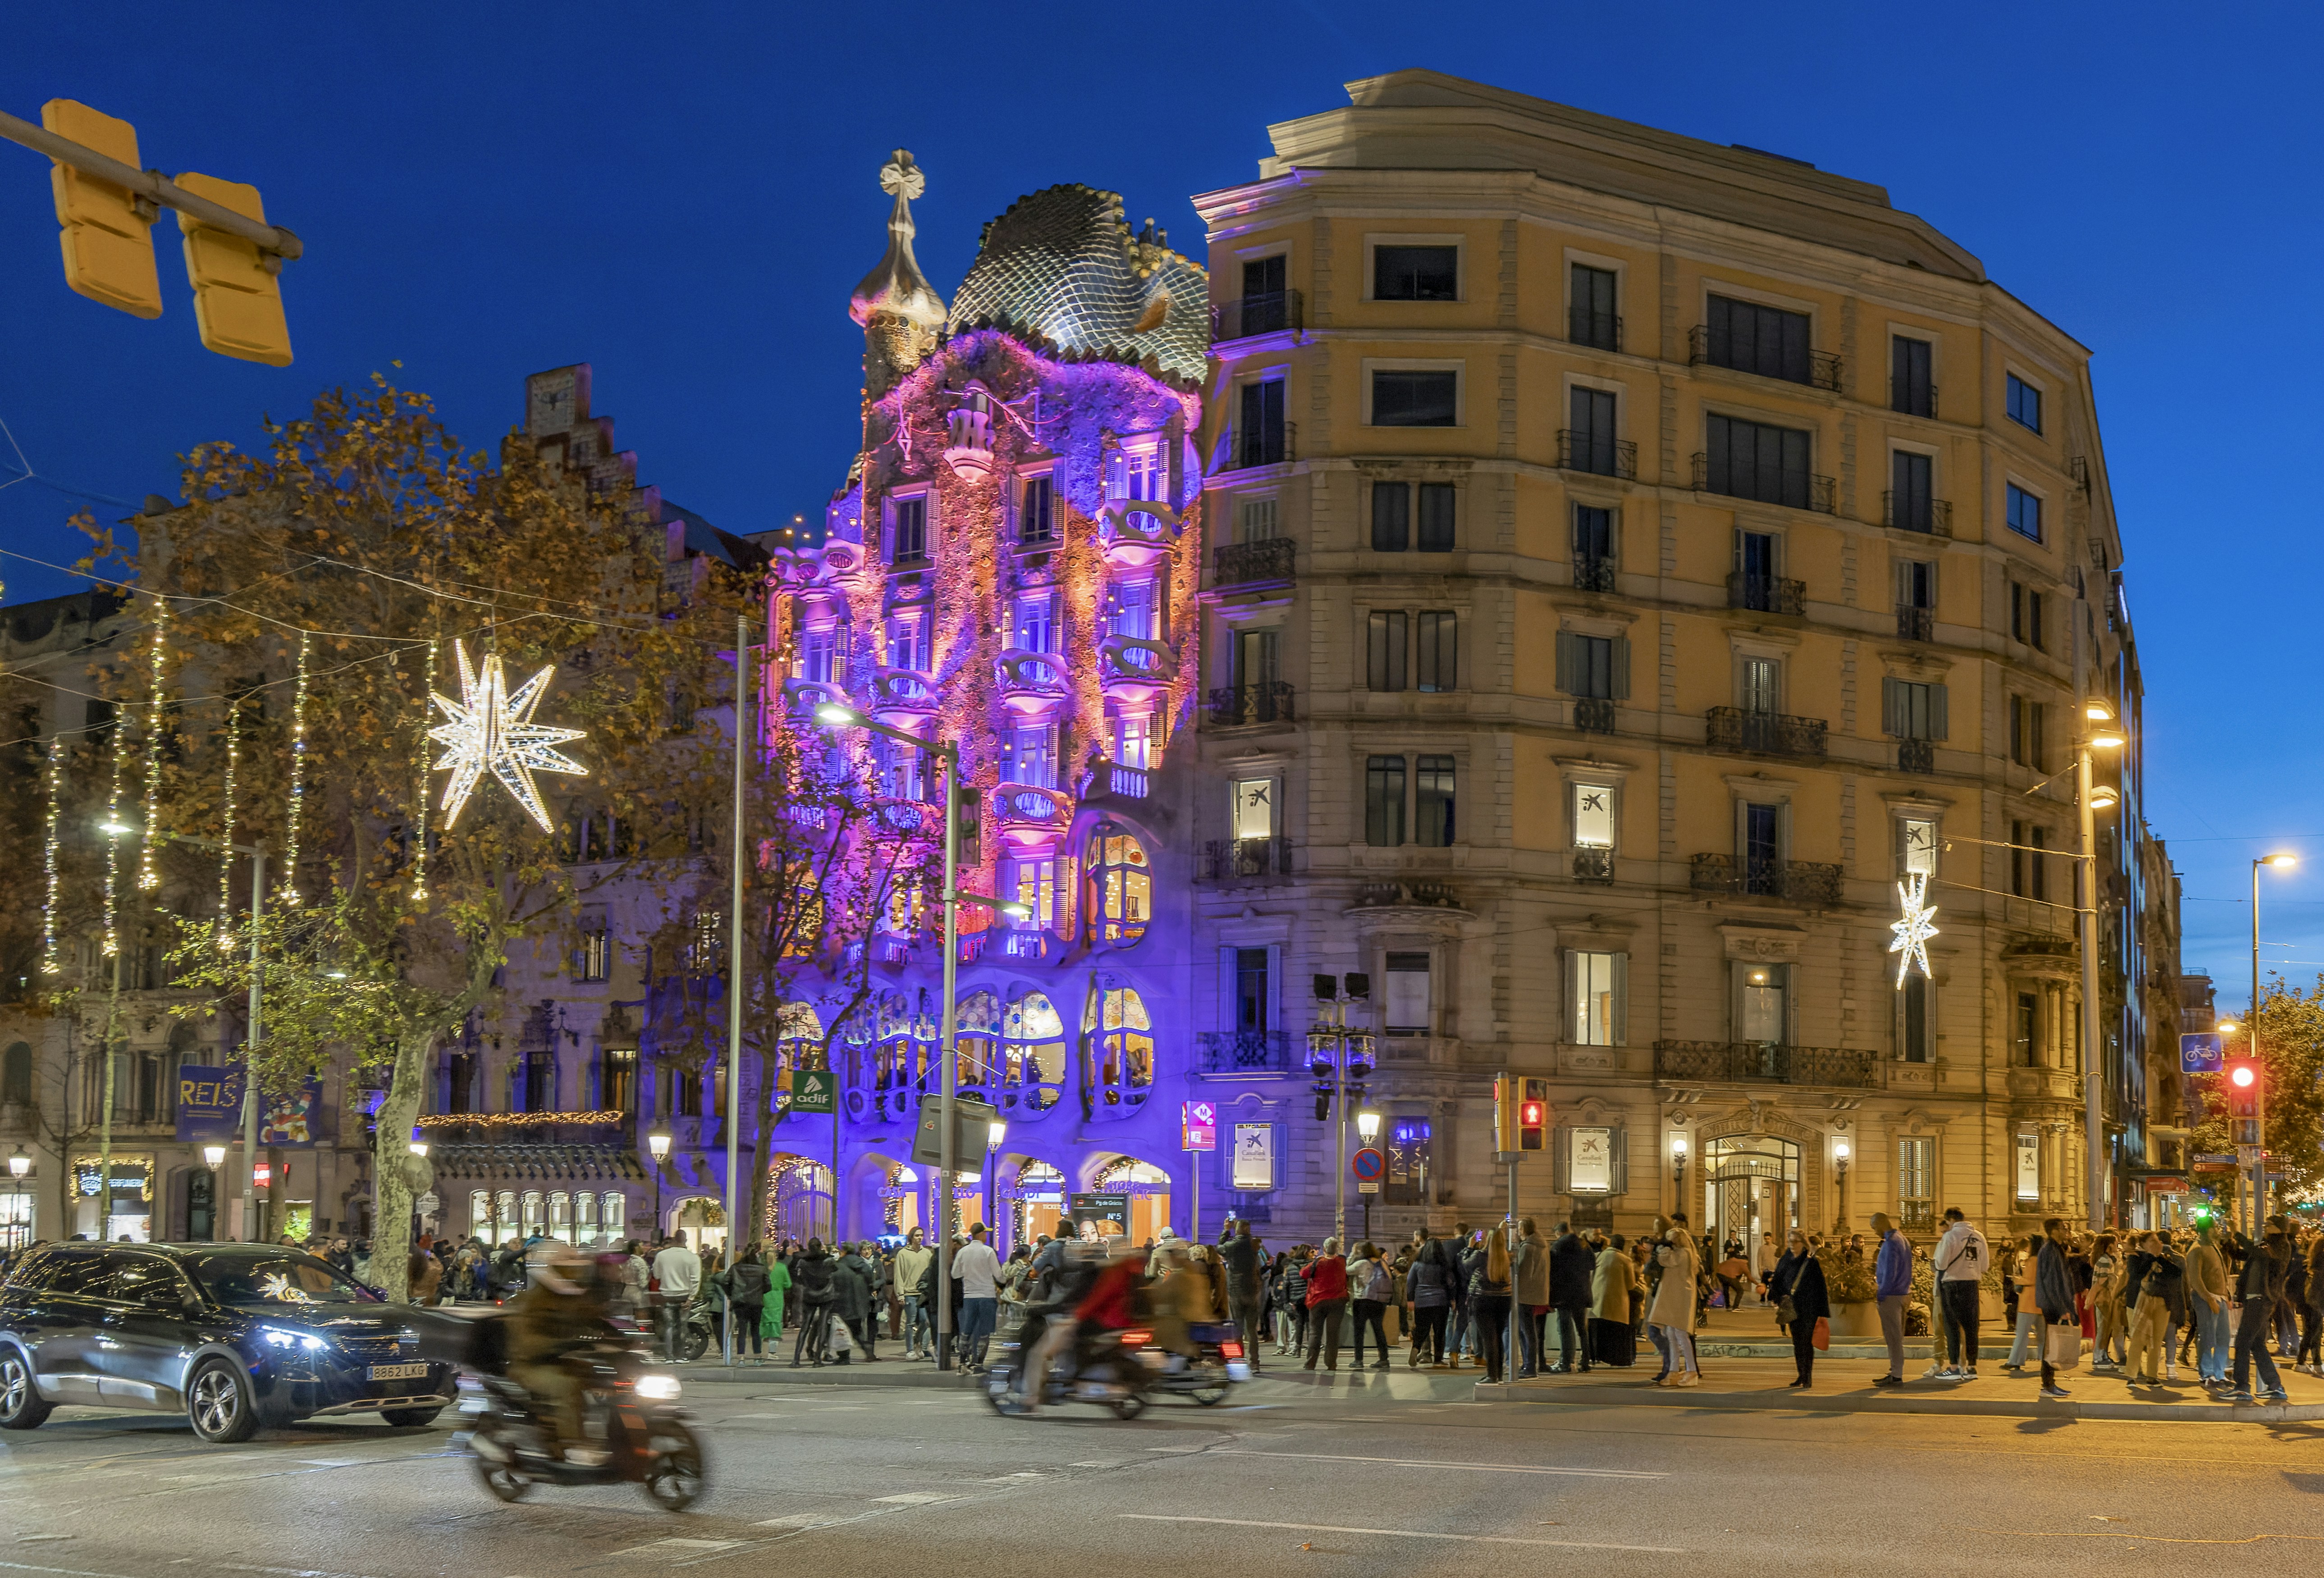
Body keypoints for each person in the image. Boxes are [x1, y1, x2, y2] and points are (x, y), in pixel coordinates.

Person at [503, 1243, 616, 1464]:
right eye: (568, 1268)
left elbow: (596, 1321)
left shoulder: (574, 1299)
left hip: (558, 1361)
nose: (576, 1273)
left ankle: (611, 1439)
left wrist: (626, 1341)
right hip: (529, 1365)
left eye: (577, 1268)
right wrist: (562, 1343)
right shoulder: (533, 1302)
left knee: (606, 1377)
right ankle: (573, 1445)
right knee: (567, 1387)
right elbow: (528, 1344)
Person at [2228, 1223, 2291, 1404]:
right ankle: (2275, 1386)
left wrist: (2238, 1235)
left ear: (2279, 1229)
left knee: (2242, 1342)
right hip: (2256, 1300)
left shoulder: (2279, 1248)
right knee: (2257, 1344)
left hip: (2260, 1300)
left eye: (2270, 1225)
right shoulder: (2265, 1247)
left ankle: (2242, 1387)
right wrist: (2229, 1245)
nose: (2265, 1227)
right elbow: (2246, 1255)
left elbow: (2258, 1254)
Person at [1931, 1207, 1988, 1381]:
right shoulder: (1979, 1236)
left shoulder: (1950, 1236)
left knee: (1952, 1327)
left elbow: (1940, 1264)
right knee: (1972, 1328)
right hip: (1972, 1285)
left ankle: (1954, 1368)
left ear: (1950, 1220)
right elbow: (1985, 1266)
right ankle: (1971, 1367)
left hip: (1952, 1285)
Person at [1768, 1230, 1828, 1389]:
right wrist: (1776, 1297)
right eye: (1790, 1241)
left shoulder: (1811, 1263)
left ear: (1803, 1243)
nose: (1792, 1245)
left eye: (1796, 1241)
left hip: (1808, 1309)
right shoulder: (1784, 1261)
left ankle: (1807, 1376)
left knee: (1806, 1342)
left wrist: (1822, 1312)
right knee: (1797, 1342)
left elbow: (1820, 1287)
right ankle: (1801, 1374)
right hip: (1791, 1308)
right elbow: (1777, 1282)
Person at [2122, 1231, 2182, 1387]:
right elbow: (2137, 1275)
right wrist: (2150, 1257)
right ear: (2143, 1244)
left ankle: (2152, 1376)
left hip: (2162, 1302)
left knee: (2156, 1340)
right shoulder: (2135, 1258)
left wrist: (2160, 1257)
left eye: (2158, 1241)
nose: (2158, 1244)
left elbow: (2177, 1273)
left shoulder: (2163, 1258)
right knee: (2138, 1338)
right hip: (2139, 1302)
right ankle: (2131, 1376)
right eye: (2153, 1241)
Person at [1649, 1223, 1701, 1386]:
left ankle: (1691, 1371)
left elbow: (1668, 1261)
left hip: (1680, 1298)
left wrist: (1661, 1249)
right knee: (1671, 1333)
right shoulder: (1682, 1253)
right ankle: (1674, 1370)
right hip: (1675, 1297)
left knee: (1680, 1334)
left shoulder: (1683, 1254)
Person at [2183, 1219, 2231, 1387]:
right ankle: (2206, 1374)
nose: (2217, 1230)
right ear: (2207, 1230)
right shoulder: (2196, 1250)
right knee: (2206, 1337)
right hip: (2206, 1299)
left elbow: (2222, 1273)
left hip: (2221, 1298)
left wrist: (2227, 1295)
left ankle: (2219, 1373)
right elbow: (2196, 1280)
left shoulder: (2213, 1247)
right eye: (2215, 1228)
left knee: (2223, 1338)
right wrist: (2209, 1299)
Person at [2034, 1218, 2077, 1400]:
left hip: (2055, 1303)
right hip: (2052, 1304)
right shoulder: (2050, 1250)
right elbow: (2053, 1283)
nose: (2066, 1231)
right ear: (2053, 1231)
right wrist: (2062, 1308)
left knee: (2052, 1343)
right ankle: (2047, 1384)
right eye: (2062, 1228)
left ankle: (2050, 1383)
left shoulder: (2056, 1249)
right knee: (2051, 1344)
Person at [1465, 1224, 1514, 1384]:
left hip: (1483, 1299)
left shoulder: (1481, 1255)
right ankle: (1498, 1374)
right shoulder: (1507, 1256)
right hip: (1504, 1299)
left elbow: (1465, 1265)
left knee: (1489, 1339)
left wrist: (1470, 1246)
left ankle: (1491, 1376)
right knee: (1498, 1337)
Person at [952, 1223, 1002, 1372]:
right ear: (980, 1235)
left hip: (969, 1295)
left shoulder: (963, 1252)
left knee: (967, 1330)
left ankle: (963, 1362)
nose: (986, 1236)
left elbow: (955, 1274)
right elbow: (998, 1274)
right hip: (987, 1295)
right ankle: (978, 1363)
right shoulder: (988, 1252)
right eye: (985, 1233)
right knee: (984, 1332)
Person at [1221, 1219, 1267, 1375]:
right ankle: (1255, 1363)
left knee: (1237, 1329)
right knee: (1252, 1330)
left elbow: (1219, 1248)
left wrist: (1226, 1231)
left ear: (1237, 1230)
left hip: (1235, 1290)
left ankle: (1238, 1361)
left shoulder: (1232, 1245)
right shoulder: (1254, 1245)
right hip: (1252, 1290)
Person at [1869, 1213, 1910, 1387]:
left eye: (1874, 1228)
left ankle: (1896, 1375)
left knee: (1892, 1337)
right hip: (1903, 1293)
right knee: (1897, 1336)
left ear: (1880, 1224)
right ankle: (1896, 1371)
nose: (1874, 1232)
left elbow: (1890, 1272)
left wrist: (1881, 1294)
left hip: (1892, 1295)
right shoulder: (1902, 1239)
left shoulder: (1891, 1242)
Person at [1548, 1222, 1595, 1375]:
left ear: (1559, 1233)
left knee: (1565, 1328)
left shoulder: (1559, 1246)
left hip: (1565, 1294)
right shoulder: (1585, 1246)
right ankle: (1585, 1362)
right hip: (1582, 1292)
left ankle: (1566, 1362)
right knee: (1582, 1329)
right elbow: (1592, 1266)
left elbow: (1553, 1271)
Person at [650, 1230, 700, 1364]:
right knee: (682, 1326)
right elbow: (696, 1280)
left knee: (669, 1326)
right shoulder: (693, 1258)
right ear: (685, 1240)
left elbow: (657, 1275)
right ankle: (680, 1355)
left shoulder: (662, 1256)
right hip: (684, 1295)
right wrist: (691, 1298)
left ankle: (669, 1356)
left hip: (667, 1295)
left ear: (673, 1240)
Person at [1303, 1236, 1351, 1372]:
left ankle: (1310, 1363)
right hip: (1337, 1302)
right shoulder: (1342, 1262)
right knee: (1333, 1334)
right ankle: (1331, 1364)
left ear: (1324, 1249)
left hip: (1318, 1301)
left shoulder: (1318, 1263)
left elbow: (1304, 1274)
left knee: (1315, 1333)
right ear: (1337, 1249)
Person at [1591, 1233, 1638, 1367]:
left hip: (1598, 1300)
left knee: (1601, 1331)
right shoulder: (1625, 1260)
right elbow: (1631, 1285)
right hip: (1617, 1302)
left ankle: (1597, 1358)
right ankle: (1616, 1359)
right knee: (1615, 1333)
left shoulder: (1599, 1256)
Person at [1512, 1219, 1551, 1378]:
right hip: (1539, 1292)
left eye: (1520, 1229)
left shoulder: (1527, 1248)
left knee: (1526, 1332)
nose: (1518, 1232)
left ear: (1524, 1230)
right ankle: (1530, 1364)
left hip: (1525, 1295)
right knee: (1531, 1332)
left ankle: (1530, 1367)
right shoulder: (1543, 1245)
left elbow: (1523, 1273)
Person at [1406, 1236, 1452, 1368]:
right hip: (1440, 1301)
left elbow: (1410, 1282)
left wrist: (1411, 1299)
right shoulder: (1443, 1265)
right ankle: (1438, 1360)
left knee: (1422, 1328)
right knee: (1440, 1332)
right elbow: (1450, 1283)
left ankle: (1416, 1348)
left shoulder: (1417, 1264)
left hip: (1422, 1301)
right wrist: (1452, 1298)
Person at [790, 1238, 837, 1367]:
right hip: (826, 1295)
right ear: (821, 1246)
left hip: (810, 1295)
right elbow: (834, 1271)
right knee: (822, 1327)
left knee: (805, 1327)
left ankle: (796, 1359)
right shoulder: (829, 1260)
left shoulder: (803, 1262)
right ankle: (817, 1359)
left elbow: (798, 1276)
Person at [1349, 1241, 1392, 1370]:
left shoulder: (1362, 1263)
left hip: (1363, 1299)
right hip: (1380, 1300)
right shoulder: (1383, 1263)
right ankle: (1384, 1359)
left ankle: (1359, 1360)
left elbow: (1347, 1270)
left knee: (1359, 1331)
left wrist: (1352, 1254)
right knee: (1379, 1329)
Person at [725, 1245, 772, 1363]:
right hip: (756, 1302)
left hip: (740, 1302)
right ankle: (757, 1356)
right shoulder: (761, 1269)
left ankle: (741, 1357)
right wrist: (760, 1292)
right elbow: (768, 1285)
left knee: (742, 1330)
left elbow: (725, 1282)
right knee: (755, 1330)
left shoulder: (736, 1268)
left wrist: (732, 1294)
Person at [894, 1227, 933, 1360]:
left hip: (923, 1292)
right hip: (909, 1291)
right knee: (910, 1322)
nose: (920, 1238)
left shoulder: (927, 1253)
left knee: (925, 1321)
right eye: (917, 1235)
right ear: (911, 1237)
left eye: (921, 1235)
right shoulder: (903, 1254)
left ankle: (919, 1343)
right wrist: (900, 1294)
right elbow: (899, 1274)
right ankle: (910, 1350)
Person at [833, 1241, 876, 1361]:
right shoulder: (861, 1264)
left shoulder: (840, 1266)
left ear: (844, 1251)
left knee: (842, 1330)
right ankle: (867, 1349)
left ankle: (844, 1356)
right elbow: (870, 1279)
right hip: (860, 1302)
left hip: (844, 1303)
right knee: (856, 1329)